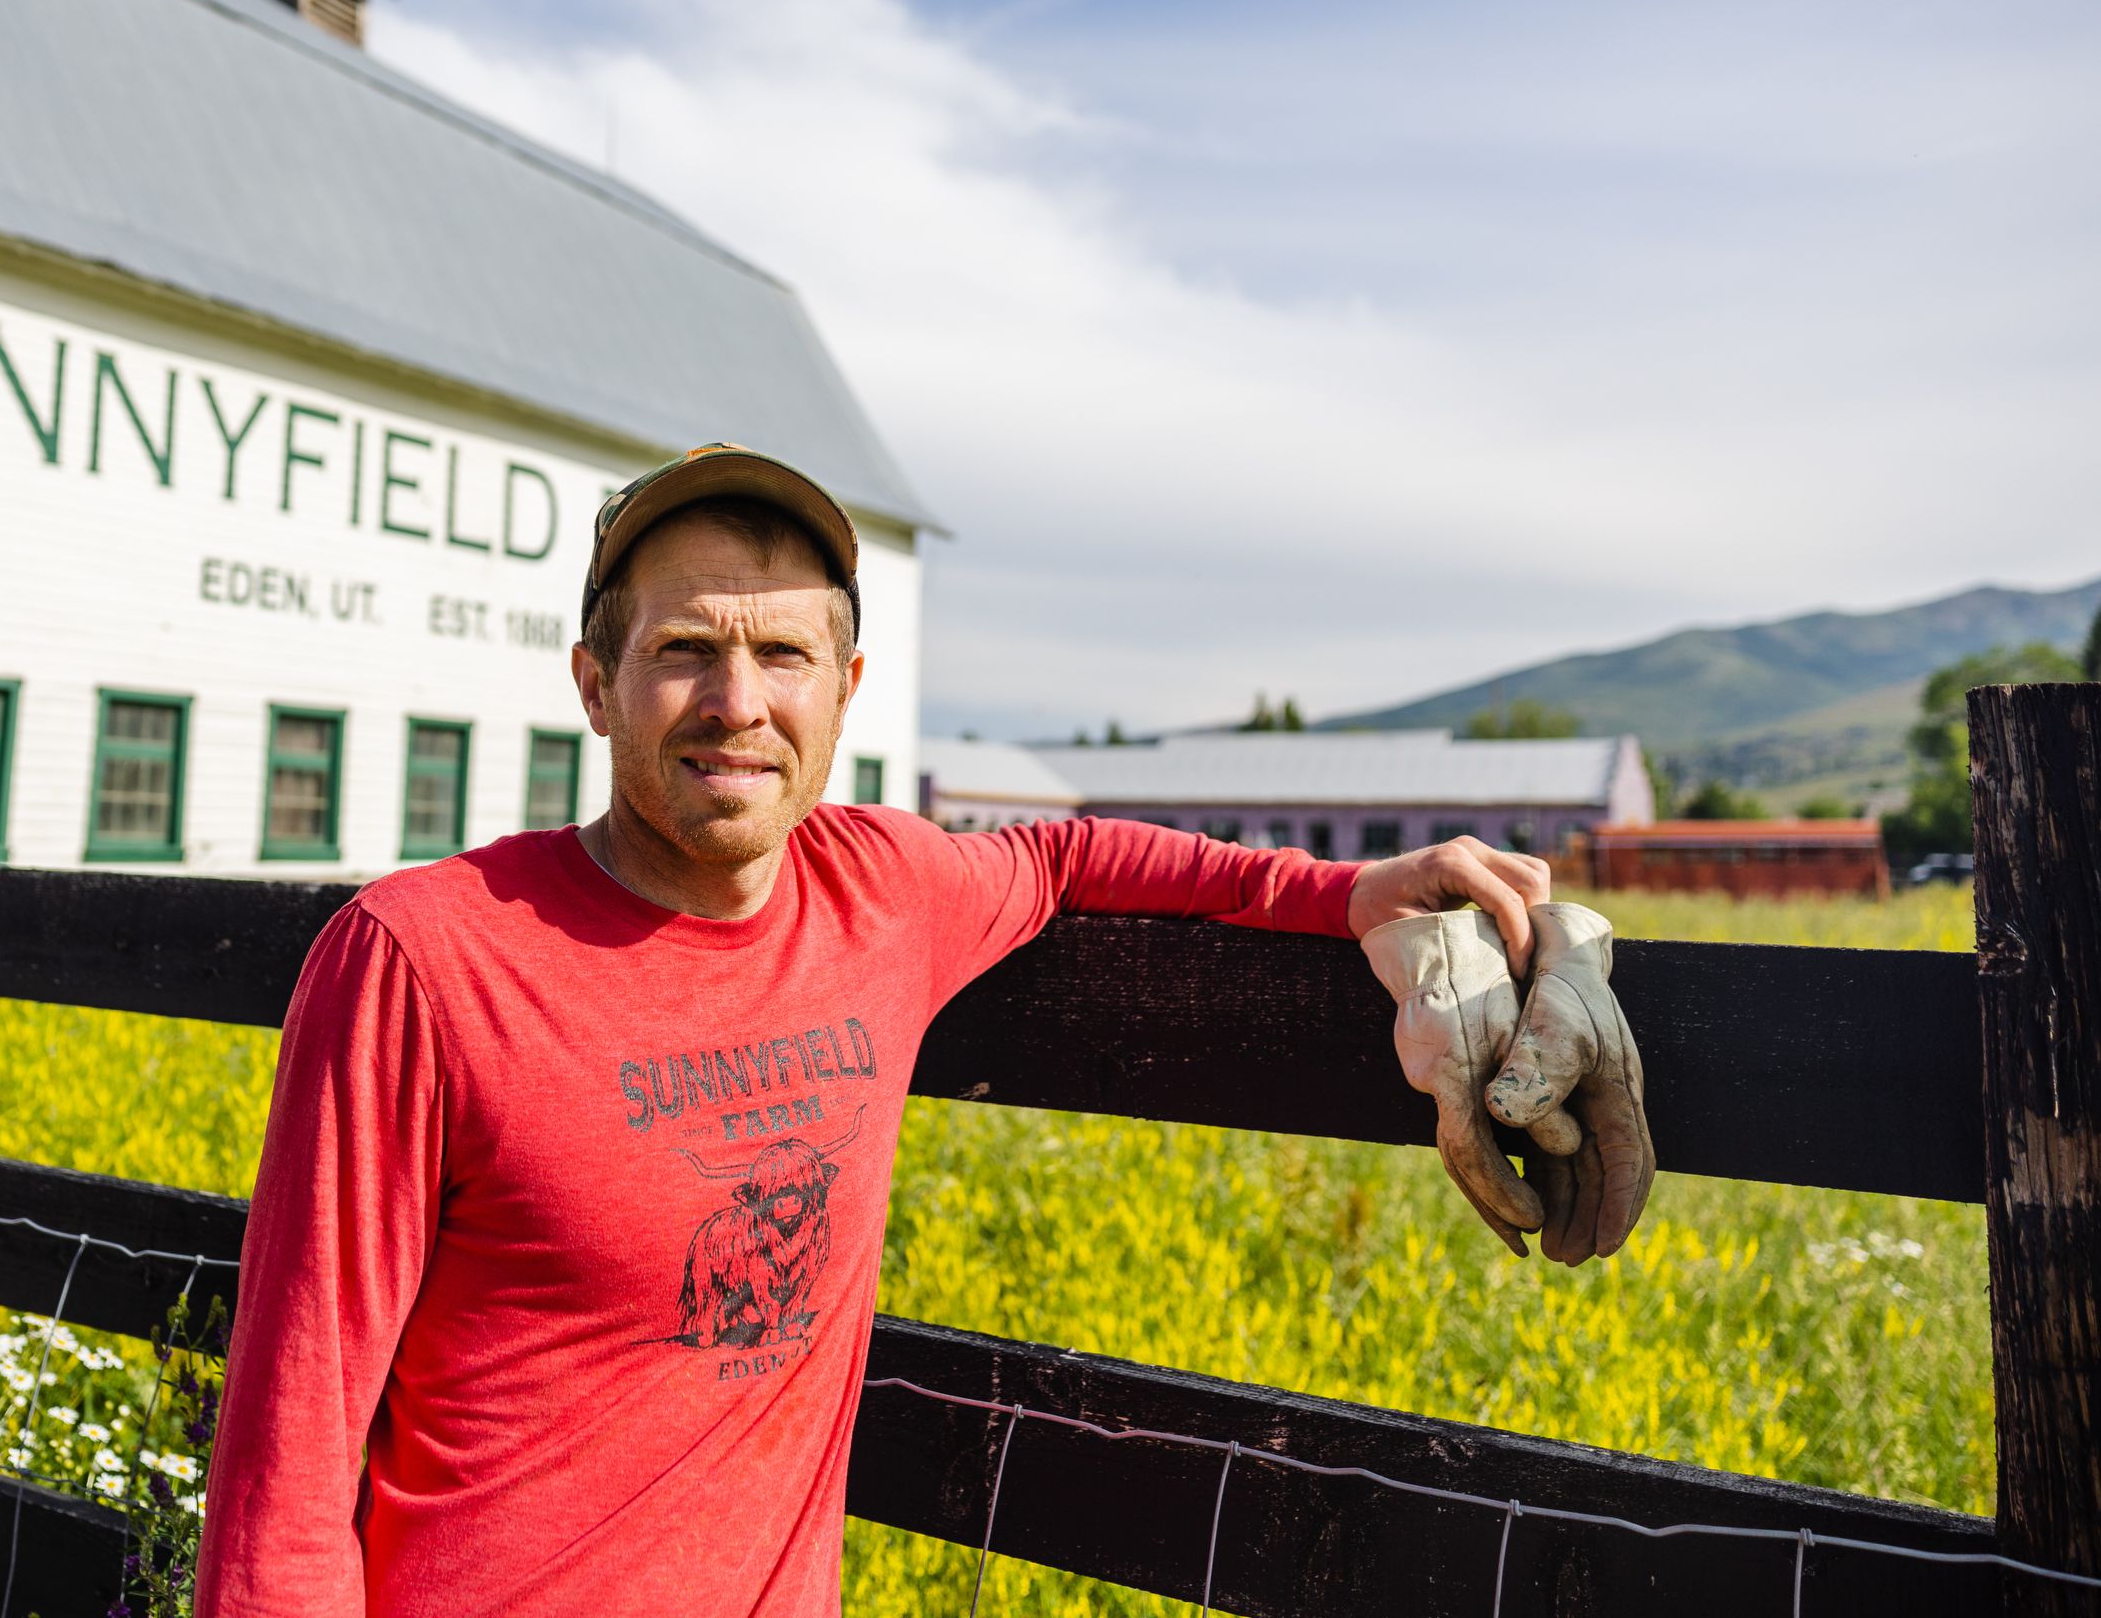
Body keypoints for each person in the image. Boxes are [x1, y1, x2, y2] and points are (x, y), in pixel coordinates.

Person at [195, 443, 1651, 1617]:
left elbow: (1084, 858)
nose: (737, 703)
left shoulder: (881, 888)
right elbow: (288, 1457)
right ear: (597, 684)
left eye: (783, 658)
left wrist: (1355, 895)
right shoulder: (423, 960)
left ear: (845, 695)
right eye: (686, 649)